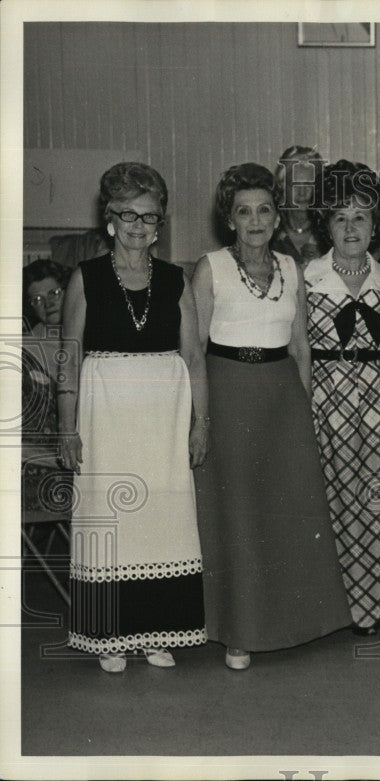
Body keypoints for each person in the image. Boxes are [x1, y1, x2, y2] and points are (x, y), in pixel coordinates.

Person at [192, 163, 352, 669]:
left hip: (283, 394)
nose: (255, 220)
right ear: (230, 219)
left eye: (264, 209)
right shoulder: (210, 267)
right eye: (244, 211)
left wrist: (300, 409)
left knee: (287, 511)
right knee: (239, 513)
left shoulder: (290, 267)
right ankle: (240, 633)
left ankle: (298, 623)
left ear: (276, 216)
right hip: (229, 391)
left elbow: (302, 346)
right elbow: (194, 349)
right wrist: (200, 419)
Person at [57, 162, 207, 673]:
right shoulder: (87, 278)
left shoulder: (174, 280)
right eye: (129, 214)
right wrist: (65, 427)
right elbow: (70, 358)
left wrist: (200, 423)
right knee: (112, 523)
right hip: (106, 419)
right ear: (110, 219)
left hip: (163, 420)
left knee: (160, 524)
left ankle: (154, 632)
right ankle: (109, 636)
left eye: (150, 217)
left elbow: (193, 359)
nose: (140, 226)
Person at [305, 161, 380, 635]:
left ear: (376, 226)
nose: (351, 227)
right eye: (340, 217)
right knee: (334, 504)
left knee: (377, 502)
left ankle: (377, 605)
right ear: (325, 224)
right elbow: (299, 352)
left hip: (377, 405)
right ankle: (338, 609)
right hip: (325, 403)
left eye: (361, 217)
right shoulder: (306, 279)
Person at [22, 260, 74, 515]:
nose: (47, 303)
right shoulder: (28, 346)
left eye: (53, 293)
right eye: (37, 299)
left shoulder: (87, 337)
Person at [271, 145, 326, 265]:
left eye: (309, 184)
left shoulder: (330, 234)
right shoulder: (270, 234)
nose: (302, 193)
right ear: (283, 188)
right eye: (295, 184)